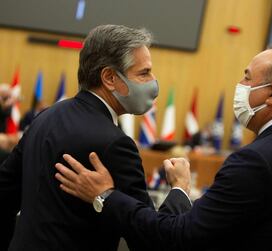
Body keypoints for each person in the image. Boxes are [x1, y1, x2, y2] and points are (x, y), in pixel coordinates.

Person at [55, 44, 272, 250]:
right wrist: (181, 188)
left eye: (247, 77)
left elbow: (178, 239)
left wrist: (105, 196)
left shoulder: (256, 161)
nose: (240, 84)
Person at [0, 25, 191, 251]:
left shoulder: (46, 117)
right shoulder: (115, 143)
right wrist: (180, 189)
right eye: (144, 73)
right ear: (109, 77)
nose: (154, 82)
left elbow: (4, 197)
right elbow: (151, 240)